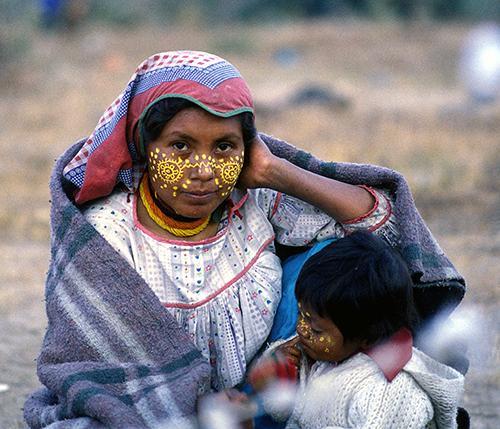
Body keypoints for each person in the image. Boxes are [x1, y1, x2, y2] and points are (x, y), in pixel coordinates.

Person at [24, 51, 465, 428]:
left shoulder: (256, 201)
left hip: (270, 398)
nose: (204, 170)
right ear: (144, 144)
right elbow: (96, 370)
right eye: (180, 147)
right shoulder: (105, 234)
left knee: (345, 260)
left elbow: (384, 230)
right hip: (167, 412)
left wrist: (276, 172)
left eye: (224, 147)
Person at [248, 230, 465, 429]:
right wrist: (279, 374)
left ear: (368, 337)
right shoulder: (323, 352)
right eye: (301, 314)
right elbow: (285, 411)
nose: (301, 329)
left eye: (315, 329)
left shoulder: (390, 392)